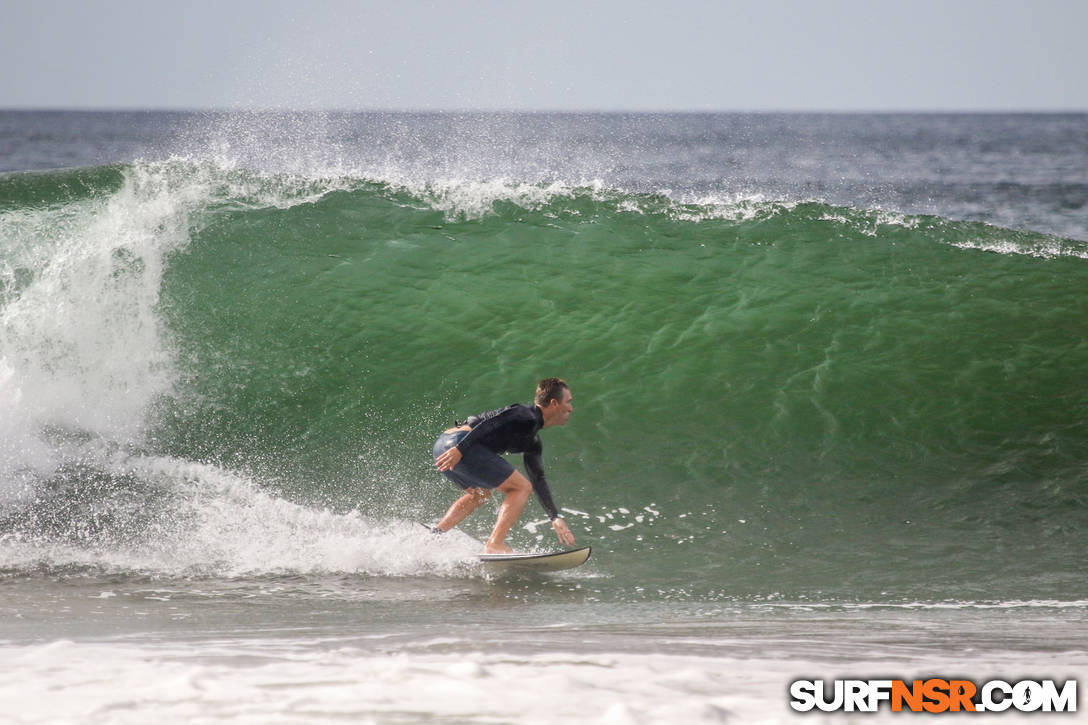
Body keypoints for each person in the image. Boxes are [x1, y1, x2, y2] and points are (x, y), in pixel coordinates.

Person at [431, 377, 576, 553]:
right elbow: (489, 423)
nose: (571, 408)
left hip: (443, 446)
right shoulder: (525, 414)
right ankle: (494, 544)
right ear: (554, 403)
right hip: (459, 445)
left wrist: (554, 517)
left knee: (479, 494)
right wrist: (460, 449)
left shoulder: (533, 442)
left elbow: (538, 479)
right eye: (568, 402)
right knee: (521, 488)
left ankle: (436, 534)